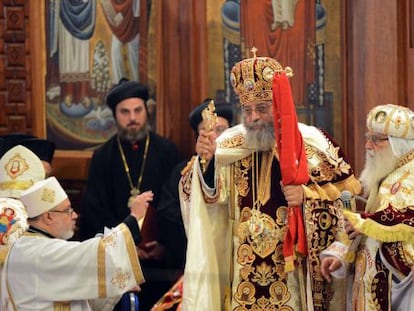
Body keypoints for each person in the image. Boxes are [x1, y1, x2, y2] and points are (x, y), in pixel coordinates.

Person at [178, 51, 361, 310]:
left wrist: (306, 198)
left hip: (291, 275)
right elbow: (200, 202)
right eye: (247, 110)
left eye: (262, 108)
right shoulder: (228, 146)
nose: (253, 118)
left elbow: (348, 213)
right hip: (241, 272)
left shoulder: (314, 145)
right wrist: (206, 164)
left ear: (280, 104)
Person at [79, 78, 182, 310]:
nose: (132, 118)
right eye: (125, 112)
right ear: (115, 116)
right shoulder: (103, 157)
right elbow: (95, 211)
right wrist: (125, 246)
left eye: (137, 110)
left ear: (147, 111)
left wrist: (165, 244)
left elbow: (178, 205)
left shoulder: (167, 151)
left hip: (160, 263)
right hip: (117, 263)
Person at [1, 176, 151, 310]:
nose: (74, 215)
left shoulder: (30, 245)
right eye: (67, 210)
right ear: (48, 217)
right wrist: (134, 218)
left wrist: (119, 285)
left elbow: (83, 289)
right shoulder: (38, 252)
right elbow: (100, 253)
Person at [320, 104, 414, 311]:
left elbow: (407, 219)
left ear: (399, 143)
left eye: (376, 139)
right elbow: (370, 221)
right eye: (368, 137)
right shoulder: (388, 172)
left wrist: (369, 222)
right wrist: (341, 254)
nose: (367, 145)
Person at [153, 98, 234, 310]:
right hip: (200, 259)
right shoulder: (186, 172)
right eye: (206, 131)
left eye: (220, 129)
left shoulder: (245, 165)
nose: (214, 137)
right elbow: (170, 215)